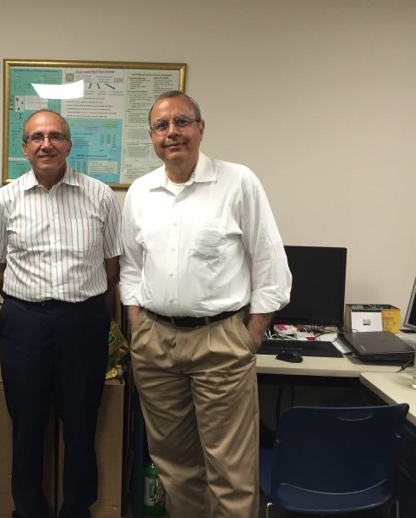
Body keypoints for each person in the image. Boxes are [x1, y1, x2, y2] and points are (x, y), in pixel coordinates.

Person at [120, 91, 292, 517]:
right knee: (175, 468)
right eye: (161, 126)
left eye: (181, 122)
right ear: (152, 137)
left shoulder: (238, 182)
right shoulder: (141, 192)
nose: (172, 133)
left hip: (221, 341)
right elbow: (131, 266)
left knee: (230, 471)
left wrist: (250, 331)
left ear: (200, 128)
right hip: (156, 343)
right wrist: (137, 321)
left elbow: (270, 264)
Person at [0, 109, 122, 518]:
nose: (47, 144)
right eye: (37, 137)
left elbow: (112, 264)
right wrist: (29, 297)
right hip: (24, 322)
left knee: (81, 425)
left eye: (56, 136)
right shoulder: (4, 199)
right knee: (26, 427)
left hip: (83, 321)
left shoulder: (100, 195)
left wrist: (79, 298)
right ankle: (28, 510)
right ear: (24, 147)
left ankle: (76, 509)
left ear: (68, 144)